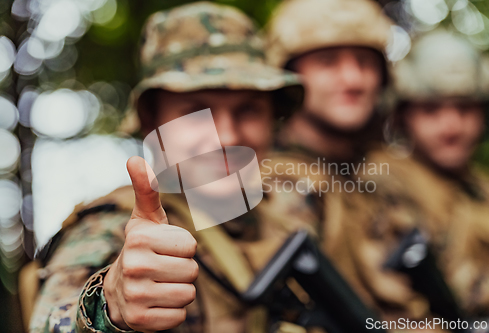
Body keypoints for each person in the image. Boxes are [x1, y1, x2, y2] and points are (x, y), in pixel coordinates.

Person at [26, 3, 325, 333]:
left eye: (248, 110)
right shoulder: (110, 227)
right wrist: (107, 306)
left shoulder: (291, 213)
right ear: (153, 121)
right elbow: (52, 319)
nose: (226, 135)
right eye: (197, 111)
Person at [329, 29, 489, 326]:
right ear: (402, 117)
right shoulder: (382, 181)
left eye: (465, 108)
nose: (451, 126)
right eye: (431, 110)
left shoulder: (487, 188)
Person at [266, 0, 393, 164]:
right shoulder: (261, 181)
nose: (353, 80)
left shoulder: (391, 174)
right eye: (327, 62)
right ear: (288, 74)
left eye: (364, 62)